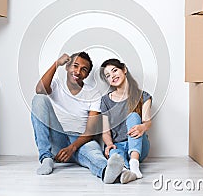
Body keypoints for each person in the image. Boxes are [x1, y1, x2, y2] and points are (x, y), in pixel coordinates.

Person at [31, 52, 125, 183]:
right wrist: (57, 63)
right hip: (59, 139)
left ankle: (106, 172)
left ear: (87, 75)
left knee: (93, 153)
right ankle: (46, 158)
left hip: (81, 141)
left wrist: (73, 147)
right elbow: (40, 89)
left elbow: (91, 130)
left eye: (83, 69)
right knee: (39, 99)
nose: (78, 71)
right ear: (67, 67)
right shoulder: (56, 85)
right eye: (75, 66)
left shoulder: (93, 93)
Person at [99, 58, 152, 184]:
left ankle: (134, 165)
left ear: (124, 70)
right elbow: (105, 131)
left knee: (133, 116)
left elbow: (147, 122)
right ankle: (124, 171)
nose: (112, 76)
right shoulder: (105, 101)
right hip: (119, 145)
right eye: (108, 75)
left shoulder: (143, 96)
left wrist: (142, 128)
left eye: (115, 70)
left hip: (139, 145)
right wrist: (109, 144)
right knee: (115, 153)